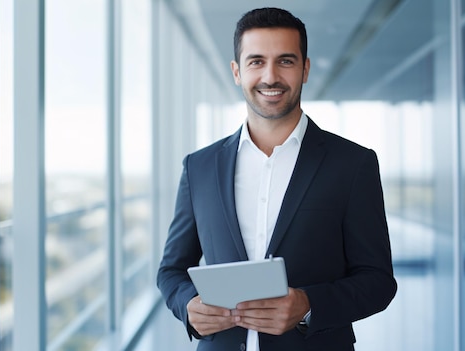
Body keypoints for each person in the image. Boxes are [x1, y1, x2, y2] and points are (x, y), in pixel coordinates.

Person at [157, 7, 397, 351]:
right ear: (237, 72)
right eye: (256, 61)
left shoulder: (353, 164)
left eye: (285, 61)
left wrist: (309, 305)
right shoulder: (200, 167)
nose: (270, 76)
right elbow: (171, 270)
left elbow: (378, 282)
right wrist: (188, 305)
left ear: (305, 69)